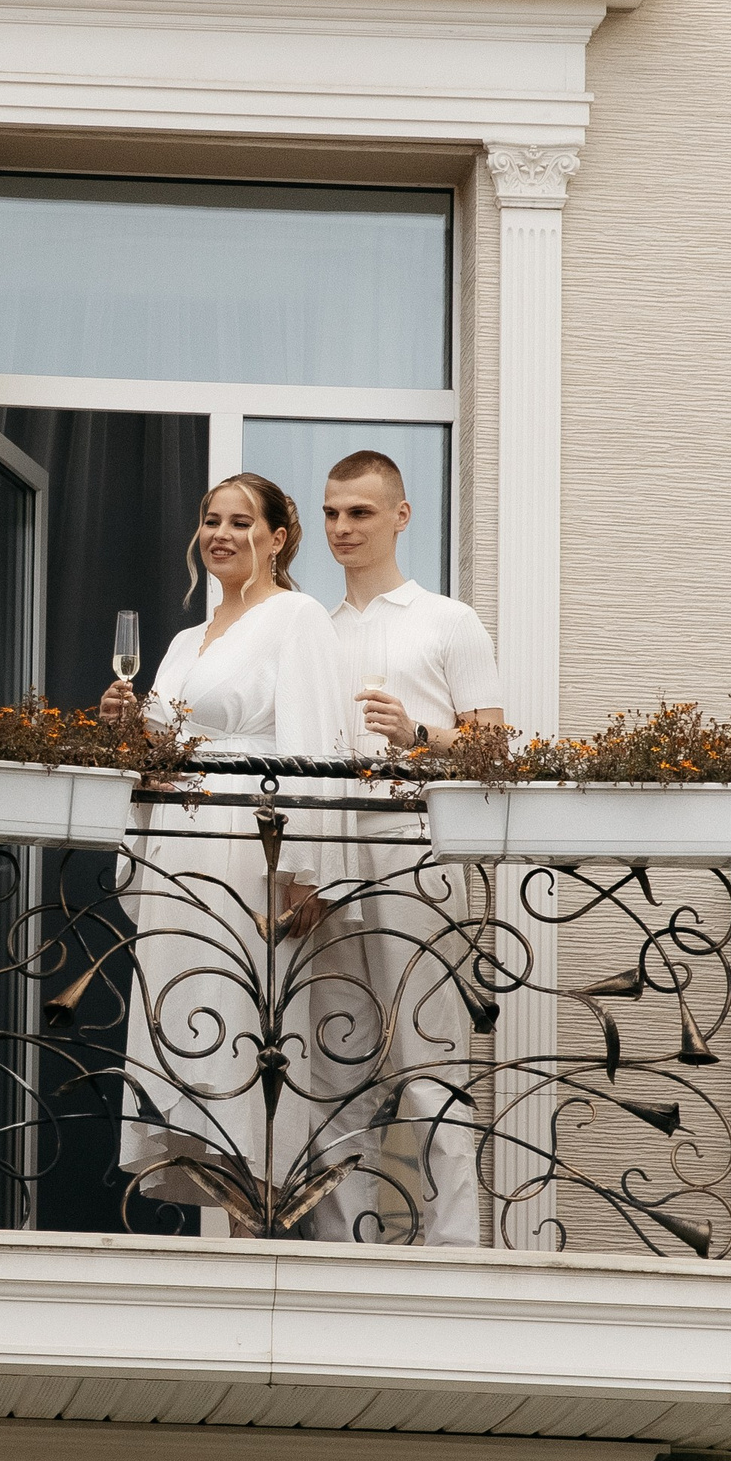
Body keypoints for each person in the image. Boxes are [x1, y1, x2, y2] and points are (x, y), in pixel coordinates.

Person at [99, 473, 351, 1234]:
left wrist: (307, 873)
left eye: (242, 522)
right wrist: (128, 723)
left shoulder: (297, 618)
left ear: (277, 537)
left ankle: (263, 1240)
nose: (222, 533)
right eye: (211, 519)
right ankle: (232, 1243)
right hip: (180, 851)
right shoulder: (181, 641)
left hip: (249, 850)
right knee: (191, 1027)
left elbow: (317, 743)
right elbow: (166, 748)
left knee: (249, 1033)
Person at [314, 448, 503, 1247]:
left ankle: (455, 1249)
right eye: (330, 513)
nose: (342, 528)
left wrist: (418, 735)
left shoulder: (445, 619)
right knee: (331, 1062)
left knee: (428, 1059)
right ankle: (340, 1248)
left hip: (411, 852)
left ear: (401, 516)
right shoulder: (314, 633)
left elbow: (495, 746)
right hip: (325, 857)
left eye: (359, 512)